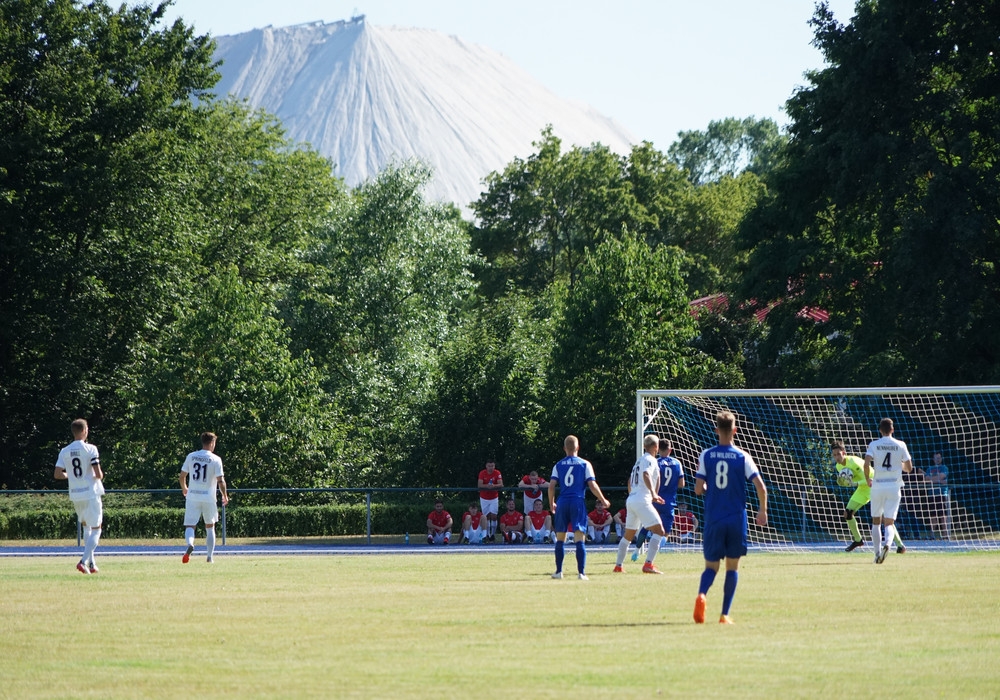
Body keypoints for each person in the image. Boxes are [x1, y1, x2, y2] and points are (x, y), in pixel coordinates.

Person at [693, 411, 768, 624]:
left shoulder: (706, 454)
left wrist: (710, 487)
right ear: (735, 430)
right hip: (736, 518)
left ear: (716, 430)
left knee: (711, 567)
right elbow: (760, 487)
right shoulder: (742, 456)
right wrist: (762, 510)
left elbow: (698, 489)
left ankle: (702, 595)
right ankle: (724, 614)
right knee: (732, 568)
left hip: (713, 519)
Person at [547, 435, 611, 580]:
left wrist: (551, 503)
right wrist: (603, 499)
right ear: (577, 447)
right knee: (579, 538)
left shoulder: (558, 465)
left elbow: (551, 486)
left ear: (564, 448)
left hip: (562, 501)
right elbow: (592, 485)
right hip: (577, 501)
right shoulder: (584, 464)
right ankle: (581, 573)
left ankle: (558, 572)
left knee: (560, 538)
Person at [833, 440, 905, 554]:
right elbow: (853, 481)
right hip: (863, 489)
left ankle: (900, 545)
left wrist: (853, 484)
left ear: (844, 452)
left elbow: (869, 480)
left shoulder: (854, 462)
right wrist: (845, 483)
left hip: (875, 485)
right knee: (847, 514)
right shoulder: (838, 466)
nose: (837, 457)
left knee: (884, 518)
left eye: (838, 454)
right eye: (834, 455)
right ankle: (858, 540)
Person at [54, 418, 105, 574]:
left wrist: (71, 476)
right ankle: (83, 561)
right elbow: (98, 474)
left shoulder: (64, 451)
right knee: (97, 528)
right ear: (84, 431)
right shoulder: (91, 449)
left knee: (86, 526)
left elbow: (57, 474)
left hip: (76, 494)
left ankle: (91, 563)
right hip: (91, 492)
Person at [614, 434, 669, 574]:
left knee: (628, 534)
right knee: (660, 531)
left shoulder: (639, 461)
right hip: (641, 499)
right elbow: (646, 474)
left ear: (644, 446)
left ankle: (618, 566)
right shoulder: (651, 460)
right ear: (656, 447)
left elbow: (629, 481)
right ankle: (648, 565)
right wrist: (653, 494)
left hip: (632, 499)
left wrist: (633, 495)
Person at [863, 418, 913, 564]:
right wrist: (900, 466)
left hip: (878, 485)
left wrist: (867, 479)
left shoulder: (874, 444)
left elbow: (866, 463)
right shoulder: (900, 444)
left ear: (879, 430)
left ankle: (877, 553)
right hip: (894, 486)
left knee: (876, 521)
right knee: (889, 523)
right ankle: (888, 544)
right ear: (892, 430)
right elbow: (909, 468)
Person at [631, 438, 685, 561]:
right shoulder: (677, 463)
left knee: (646, 526)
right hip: (669, 502)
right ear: (670, 449)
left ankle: (636, 551)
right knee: (664, 532)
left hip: (654, 499)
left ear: (658, 449)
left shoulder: (655, 462)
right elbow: (682, 483)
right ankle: (651, 555)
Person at [179, 431, 229, 564]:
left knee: (190, 525)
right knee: (210, 526)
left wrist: (185, 489)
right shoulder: (216, 459)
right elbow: (221, 481)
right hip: (209, 497)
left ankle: (190, 544)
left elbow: (182, 476)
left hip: (193, 496)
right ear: (212, 443)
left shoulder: (192, 456)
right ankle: (209, 557)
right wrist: (225, 495)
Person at [477, 460, 504, 542]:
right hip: (484, 497)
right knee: (486, 516)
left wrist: (493, 486)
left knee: (494, 516)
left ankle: (493, 534)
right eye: (489, 466)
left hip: (494, 497)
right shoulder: (482, 473)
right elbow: (480, 485)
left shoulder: (497, 473)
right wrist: (487, 486)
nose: (491, 468)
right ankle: (488, 534)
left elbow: (501, 484)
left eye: (492, 466)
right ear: (486, 466)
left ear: (494, 466)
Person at [925, 451, 950, 537]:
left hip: (942, 494)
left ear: (941, 459)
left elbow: (942, 476)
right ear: (933, 459)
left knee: (943, 515)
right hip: (932, 494)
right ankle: (932, 535)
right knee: (933, 515)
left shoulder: (944, 468)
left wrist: (933, 480)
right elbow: (926, 479)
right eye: (936, 458)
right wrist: (939, 481)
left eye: (939, 458)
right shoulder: (929, 469)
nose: (938, 460)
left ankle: (945, 534)